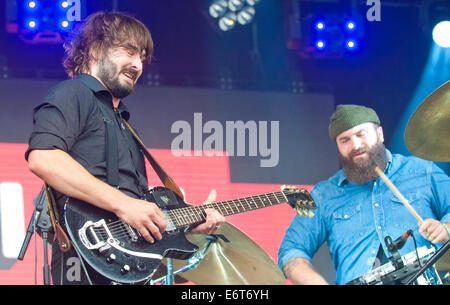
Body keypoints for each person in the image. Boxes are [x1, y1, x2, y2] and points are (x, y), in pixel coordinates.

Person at [25, 11, 225, 285]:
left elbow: (136, 218)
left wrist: (190, 226)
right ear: (95, 49)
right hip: (84, 262)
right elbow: (43, 158)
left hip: (126, 267)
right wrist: (124, 205)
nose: (138, 65)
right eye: (129, 52)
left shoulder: (123, 123)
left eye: (142, 57)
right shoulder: (73, 94)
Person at [278, 104, 450, 285]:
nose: (356, 145)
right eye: (345, 140)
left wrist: (445, 228)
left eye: (361, 134)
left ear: (380, 134)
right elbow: (291, 251)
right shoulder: (324, 195)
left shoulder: (422, 171)